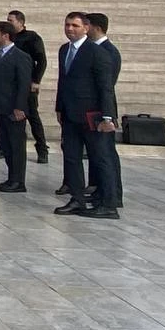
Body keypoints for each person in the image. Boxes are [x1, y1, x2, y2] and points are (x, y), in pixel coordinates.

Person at [53, 12, 118, 219]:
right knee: (72, 158)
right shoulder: (64, 50)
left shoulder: (97, 53)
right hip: (71, 114)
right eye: (67, 25)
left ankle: (109, 204)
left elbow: (105, 87)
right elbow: (63, 81)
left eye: (75, 25)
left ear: (86, 28)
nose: (70, 29)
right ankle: (77, 198)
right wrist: (59, 108)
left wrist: (108, 117)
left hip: (93, 115)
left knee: (100, 159)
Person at [0, 21, 31, 193]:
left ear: (6, 36)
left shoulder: (21, 57)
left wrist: (20, 107)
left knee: (16, 146)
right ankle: (11, 177)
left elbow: (24, 85)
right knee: (6, 144)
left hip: (13, 109)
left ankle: (18, 180)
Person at [86, 13, 123, 209]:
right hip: (94, 109)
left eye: (87, 25)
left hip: (103, 110)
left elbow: (107, 85)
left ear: (96, 27)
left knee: (106, 154)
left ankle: (112, 196)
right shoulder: (95, 50)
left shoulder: (108, 51)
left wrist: (107, 115)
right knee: (99, 155)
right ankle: (101, 191)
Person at [7, 10, 50, 164]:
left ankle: (42, 149)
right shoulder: (8, 37)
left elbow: (42, 60)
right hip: (10, 83)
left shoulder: (32, 37)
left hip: (27, 83)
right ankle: (2, 146)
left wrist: (36, 80)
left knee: (32, 116)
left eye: (11, 20)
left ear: (20, 22)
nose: (8, 23)